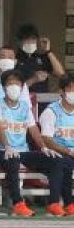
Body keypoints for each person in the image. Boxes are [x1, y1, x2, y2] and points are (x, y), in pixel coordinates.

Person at [0, 68, 67, 217]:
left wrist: (43, 147)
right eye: (10, 83)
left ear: (22, 86)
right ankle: (18, 203)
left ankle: (54, 203)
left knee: (57, 161)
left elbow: (33, 128)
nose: (14, 86)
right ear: (4, 87)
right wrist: (7, 146)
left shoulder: (25, 106)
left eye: (17, 83)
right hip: (0, 151)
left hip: (23, 151)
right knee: (13, 160)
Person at [39, 75, 74, 216]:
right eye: (70, 89)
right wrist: (69, 151)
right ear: (62, 91)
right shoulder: (51, 112)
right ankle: (61, 203)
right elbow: (46, 139)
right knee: (62, 162)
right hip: (56, 153)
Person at [15, 24, 66, 94]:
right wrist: (34, 79)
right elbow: (14, 88)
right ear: (20, 42)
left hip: (43, 101)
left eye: (33, 39)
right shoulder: (15, 60)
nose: (30, 42)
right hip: (24, 101)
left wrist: (48, 51)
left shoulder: (41, 58)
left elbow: (61, 73)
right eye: (26, 39)